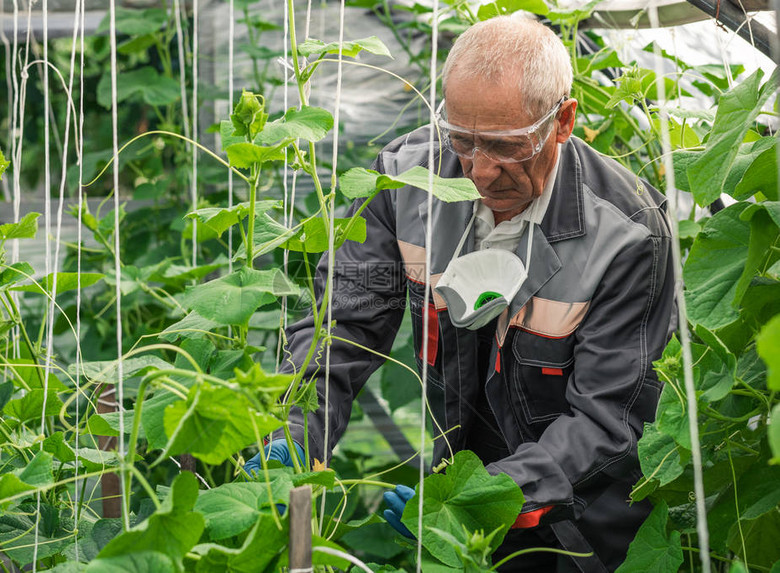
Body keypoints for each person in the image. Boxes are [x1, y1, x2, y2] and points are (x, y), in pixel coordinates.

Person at [246, 14, 676, 572]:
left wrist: (482, 500)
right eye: (461, 139)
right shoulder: (405, 180)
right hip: (459, 471)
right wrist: (297, 428)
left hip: (579, 518)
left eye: (505, 146)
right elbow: (344, 323)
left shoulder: (626, 232)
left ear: (564, 120)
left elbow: (607, 420)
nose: (478, 170)